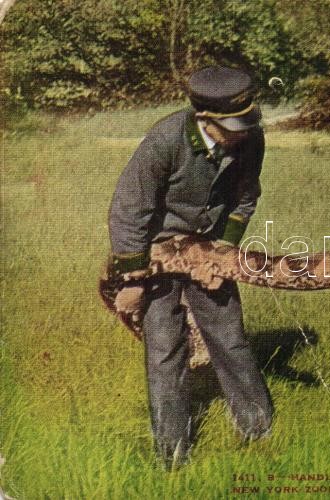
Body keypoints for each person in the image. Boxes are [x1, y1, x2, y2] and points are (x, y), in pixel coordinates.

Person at [107, 66, 273, 468]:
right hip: (156, 255)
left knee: (229, 335)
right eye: (233, 125)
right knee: (165, 349)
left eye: (248, 121)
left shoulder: (249, 137)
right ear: (203, 119)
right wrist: (132, 280)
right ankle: (173, 452)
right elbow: (130, 209)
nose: (244, 132)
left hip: (207, 249)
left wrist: (221, 251)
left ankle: (259, 429)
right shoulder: (165, 140)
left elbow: (246, 196)